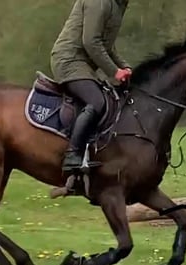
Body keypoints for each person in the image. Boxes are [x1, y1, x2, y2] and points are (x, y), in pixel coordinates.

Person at [50, 0, 132, 172]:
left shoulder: (118, 5)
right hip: (69, 60)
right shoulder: (99, 2)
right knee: (97, 101)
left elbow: (108, 48)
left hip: (84, 63)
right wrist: (114, 71)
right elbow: (91, 42)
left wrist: (125, 67)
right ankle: (72, 155)